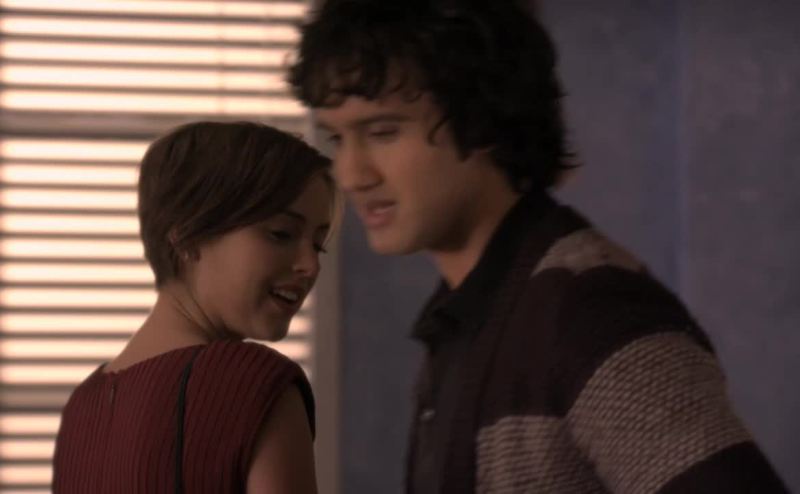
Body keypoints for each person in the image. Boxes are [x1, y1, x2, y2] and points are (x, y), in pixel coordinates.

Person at [288, 0, 789, 492]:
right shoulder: (467, 315)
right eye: (337, 140)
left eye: (382, 132)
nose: (351, 175)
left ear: (482, 119)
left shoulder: (590, 313)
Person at [52, 121, 333, 493]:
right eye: (281, 234)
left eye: (318, 245)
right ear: (188, 236)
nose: (310, 265)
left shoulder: (82, 408)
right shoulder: (254, 382)